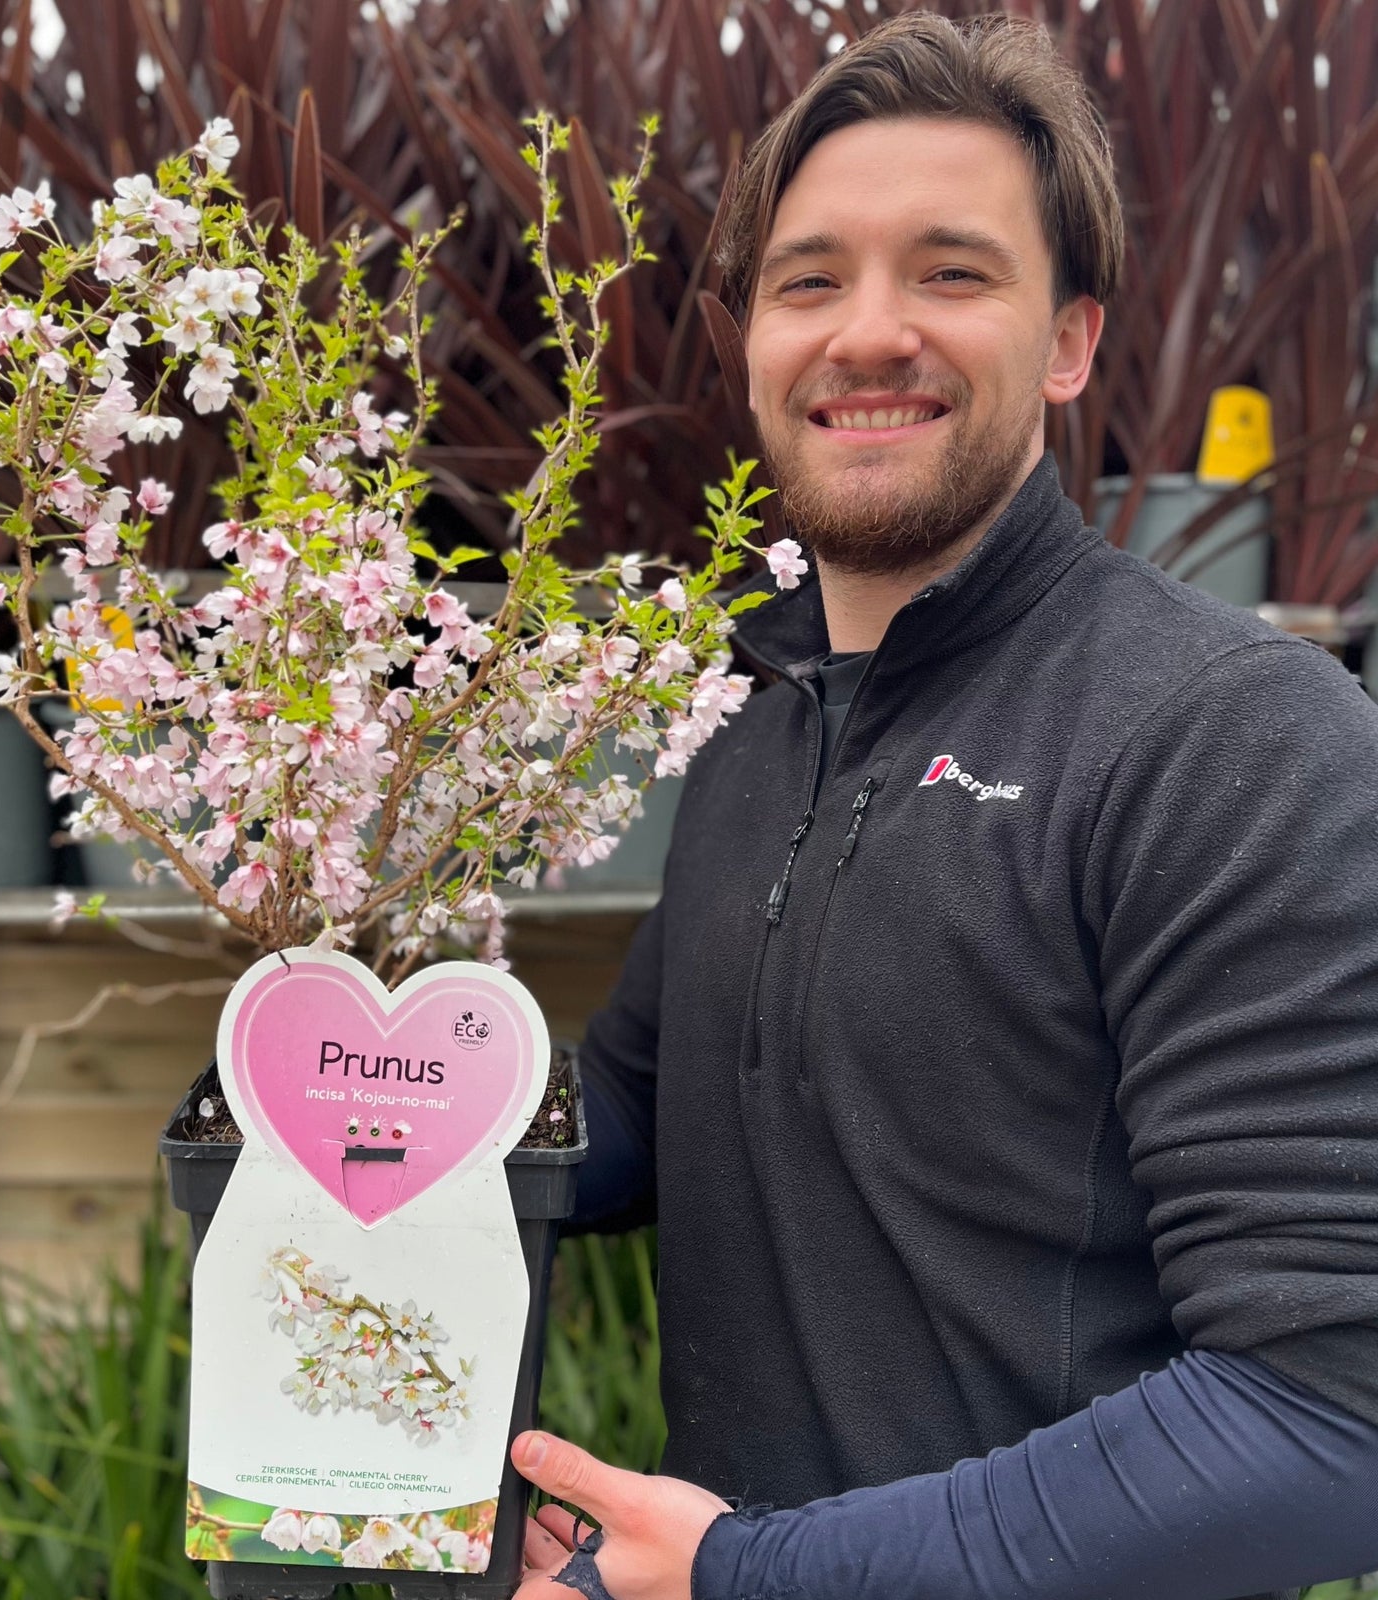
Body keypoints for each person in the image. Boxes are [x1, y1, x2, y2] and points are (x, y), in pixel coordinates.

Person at [509, 13, 1378, 1600]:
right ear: (755, 342)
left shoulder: (1232, 742)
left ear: (1069, 343)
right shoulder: (757, 722)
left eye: (953, 273)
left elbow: (1329, 1414)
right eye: (810, 279)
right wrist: (356, 1085)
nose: (869, 333)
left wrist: (747, 1576)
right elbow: (635, 1111)